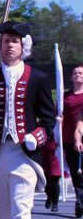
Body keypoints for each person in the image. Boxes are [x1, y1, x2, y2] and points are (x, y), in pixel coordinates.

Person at [0, 20, 56, 219]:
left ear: (23, 46)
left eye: (15, 41)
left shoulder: (38, 78)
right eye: (6, 40)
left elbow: (48, 118)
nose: (10, 45)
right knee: (4, 213)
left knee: (21, 212)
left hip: (25, 154)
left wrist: (37, 136)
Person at [66, 64, 83, 218]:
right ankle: (80, 203)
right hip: (68, 140)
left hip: (81, 139)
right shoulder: (66, 96)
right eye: (75, 73)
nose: (78, 75)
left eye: (80, 73)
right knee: (76, 175)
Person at [41, 133, 61, 212]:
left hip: (54, 158)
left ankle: (55, 203)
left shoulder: (54, 129)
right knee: (46, 182)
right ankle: (49, 196)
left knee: (55, 180)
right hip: (43, 157)